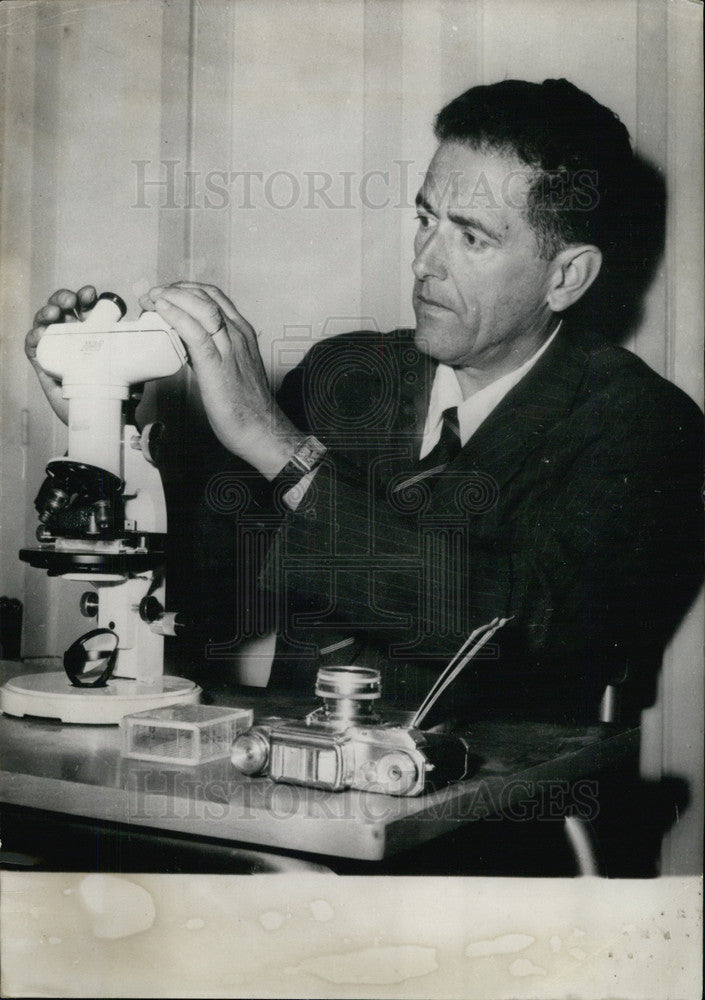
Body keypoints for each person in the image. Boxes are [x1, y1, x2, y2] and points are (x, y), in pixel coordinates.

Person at [26, 78, 703, 726]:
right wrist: (102, 420)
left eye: (470, 237)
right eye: (424, 219)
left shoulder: (643, 427)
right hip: (284, 792)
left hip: (476, 825)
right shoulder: (347, 377)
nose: (424, 262)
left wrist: (283, 451)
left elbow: (516, 630)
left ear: (565, 276)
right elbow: (205, 583)